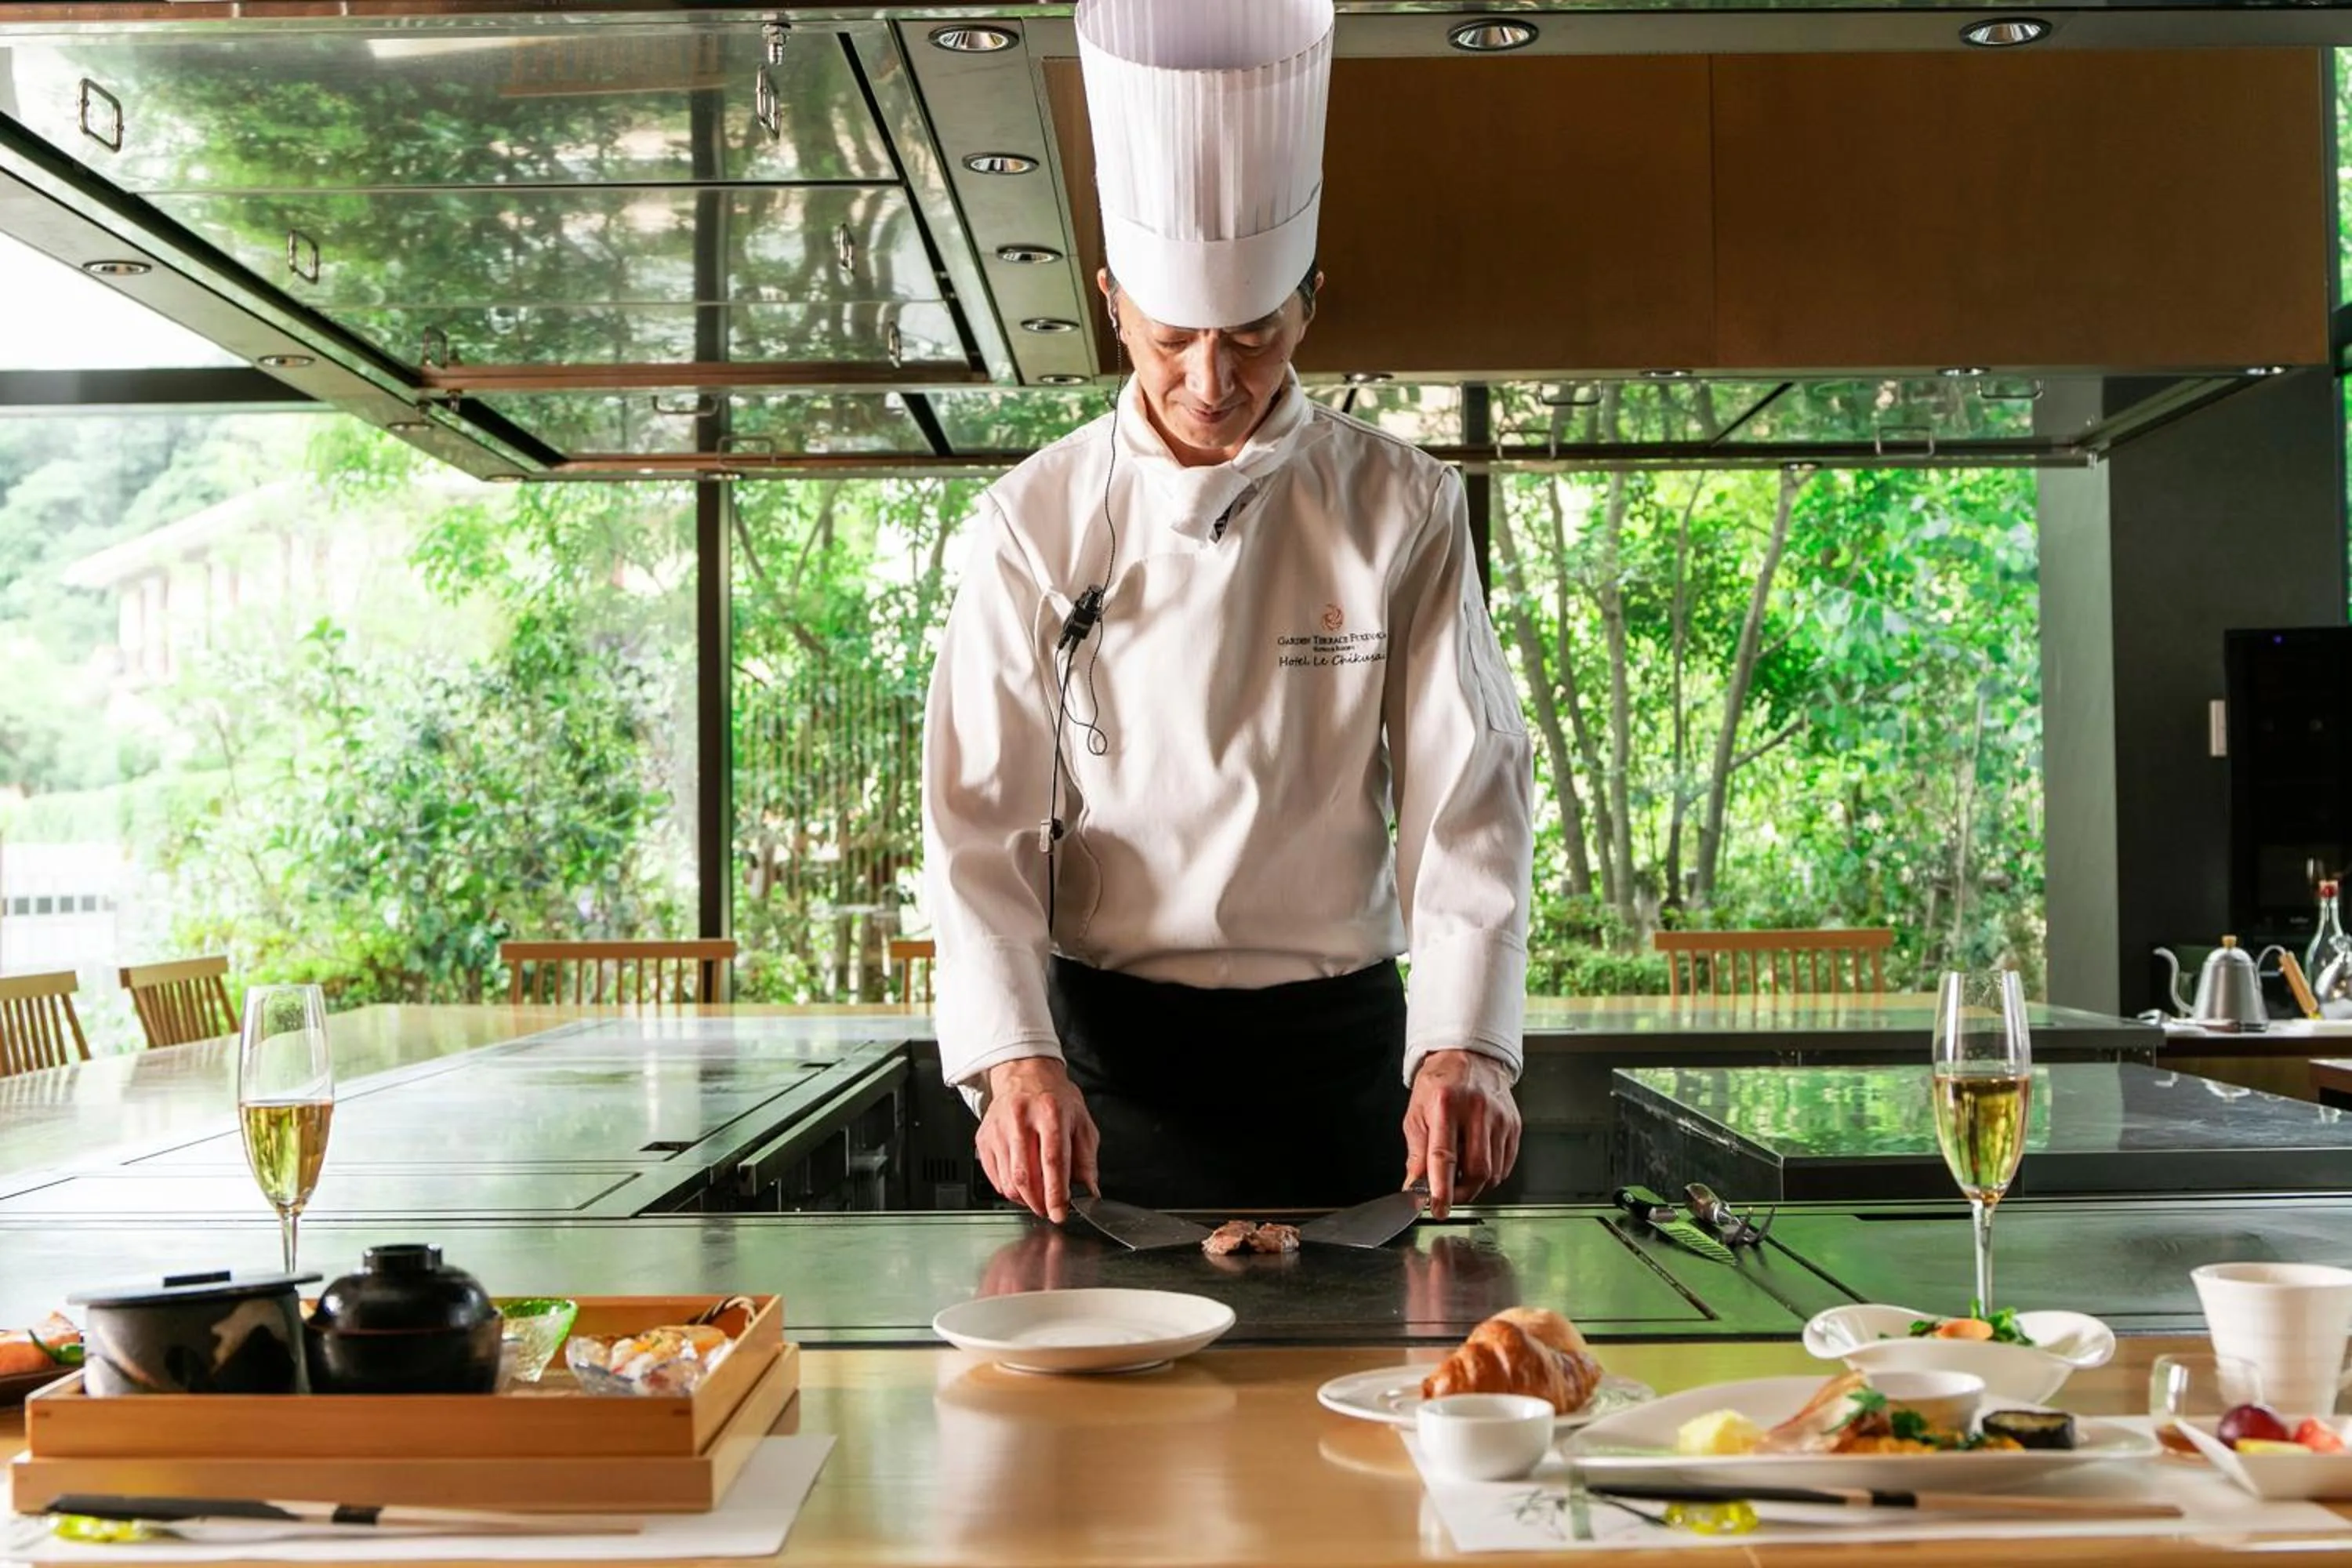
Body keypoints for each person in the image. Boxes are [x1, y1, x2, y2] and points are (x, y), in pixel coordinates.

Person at [920, 0, 1533, 1223]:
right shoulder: (1028, 521)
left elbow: (1465, 787)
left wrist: (1464, 1040)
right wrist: (1015, 1059)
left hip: (1340, 1057)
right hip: (1104, 1067)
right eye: (1172, 341)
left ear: (1309, 304)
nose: (1212, 382)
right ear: (1112, 303)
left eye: (1251, 337)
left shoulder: (1402, 503)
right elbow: (976, 825)